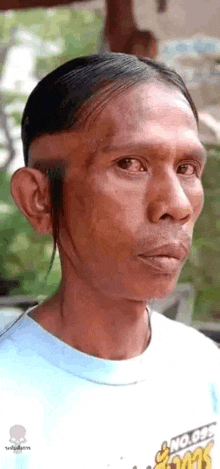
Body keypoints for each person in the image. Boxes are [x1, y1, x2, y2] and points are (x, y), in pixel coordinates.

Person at [0, 53, 219, 468]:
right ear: (39, 199)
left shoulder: (204, 368)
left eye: (187, 167)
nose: (176, 204)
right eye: (129, 164)